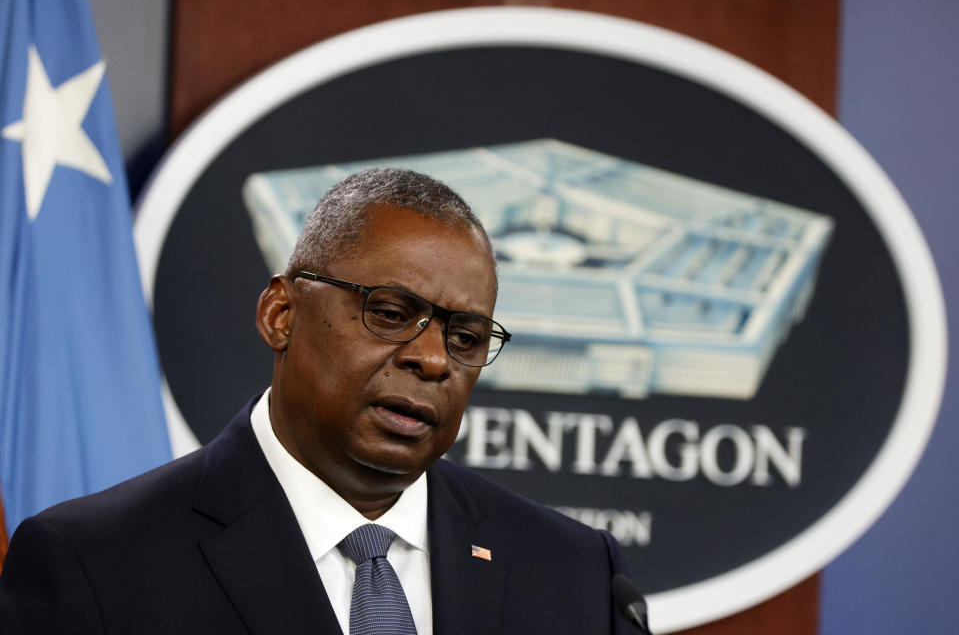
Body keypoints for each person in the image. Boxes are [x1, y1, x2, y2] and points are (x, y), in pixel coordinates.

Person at [0, 169, 631, 634]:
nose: (434, 360)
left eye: (464, 337)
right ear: (281, 313)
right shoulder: (96, 564)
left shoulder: (573, 573)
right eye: (390, 312)